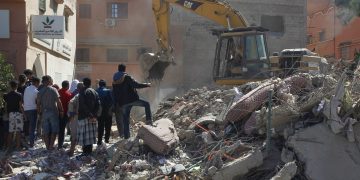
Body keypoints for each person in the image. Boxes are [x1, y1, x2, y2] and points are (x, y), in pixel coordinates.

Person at [112, 64, 152, 139]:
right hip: (132, 99)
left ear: (118, 69)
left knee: (125, 120)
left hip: (122, 103)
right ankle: (149, 121)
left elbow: (114, 93)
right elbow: (136, 85)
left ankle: (127, 137)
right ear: (124, 69)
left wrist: (116, 103)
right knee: (147, 104)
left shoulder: (114, 81)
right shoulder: (127, 77)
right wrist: (146, 84)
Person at [37, 75, 64, 150]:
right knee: (54, 130)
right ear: (49, 81)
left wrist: (39, 113)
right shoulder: (54, 90)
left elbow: (38, 104)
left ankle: (47, 147)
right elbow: (58, 102)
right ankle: (51, 146)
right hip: (53, 112)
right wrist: (61, 111)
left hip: (44, 113)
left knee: (46, 131)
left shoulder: (40, 91)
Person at [77, 78, 100, 158]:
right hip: (92, 117)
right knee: (90, 136)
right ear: (90, 83)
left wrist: (89, 114)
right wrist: (94, 115)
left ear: (83, 83)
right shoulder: (94, 92)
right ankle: (89, 152)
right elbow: (98, 104)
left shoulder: (82, 92)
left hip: (84, 116)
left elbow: (83, 105)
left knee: (84, 136)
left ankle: (85, 152)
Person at [3, 80, 24, 150]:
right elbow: (20, 106)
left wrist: (7, 114)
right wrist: (24, 114)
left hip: (11, 114)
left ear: (10, 86)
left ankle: (9, 147)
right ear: (16, 86)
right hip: (18, 114)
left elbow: (6, 106)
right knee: (18, 132)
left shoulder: (6, 95)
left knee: (10, 131)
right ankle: (18, 147)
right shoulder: (19, 95)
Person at [67, 82, 84, 156]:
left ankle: (72, 151)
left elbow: (70, 103)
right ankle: (84, 151)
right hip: (84, 118)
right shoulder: (86, 95)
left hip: (76, 117)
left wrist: (71, 114)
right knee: (83, 134)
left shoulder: (77, 96)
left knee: (74, 135)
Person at [23, 77, 40, 148]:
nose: (39, 85)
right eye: (38, 83)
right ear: (36, 83)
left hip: (26, 109)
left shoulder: (26, 89)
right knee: (32, 127)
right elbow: (38, 102)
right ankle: (32, 143)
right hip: (33, 109)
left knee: (28, 126)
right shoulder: (36, 91)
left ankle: (27, 141)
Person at [96, 80, 113, 145]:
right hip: (107, 111)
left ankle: (99, 141)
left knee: (100, 126)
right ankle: (106, 140)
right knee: (108, 127)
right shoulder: (108, 91)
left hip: (99, 112)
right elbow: (112, 101)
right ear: (105, 85)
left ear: (99, 85)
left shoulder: (96, 91)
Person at [57, 80, 72, 149]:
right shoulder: (68, 94)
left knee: (57, 129)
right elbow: (70, 106)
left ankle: (52, 144)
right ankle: (60, 145)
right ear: (67, 86)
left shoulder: (57, 92)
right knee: (62, 130)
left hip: (57, 113)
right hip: (64, 114)